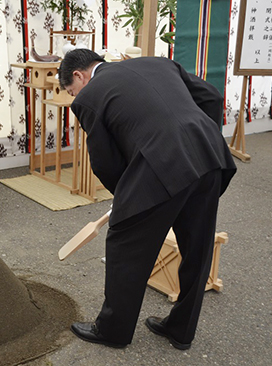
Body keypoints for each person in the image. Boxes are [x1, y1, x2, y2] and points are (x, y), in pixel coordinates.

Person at [58, 49, 237, 349]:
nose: (73, 96)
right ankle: (181, 331)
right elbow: (212, 96)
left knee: (123, 241)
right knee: (198, 247)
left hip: (162, 164)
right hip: (209, 155)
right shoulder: (158, 63)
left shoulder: (89, 97)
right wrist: (198, 135)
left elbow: (105, 162)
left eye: (71, 90)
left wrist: (125, 198)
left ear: (78, 75)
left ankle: (113, 330)